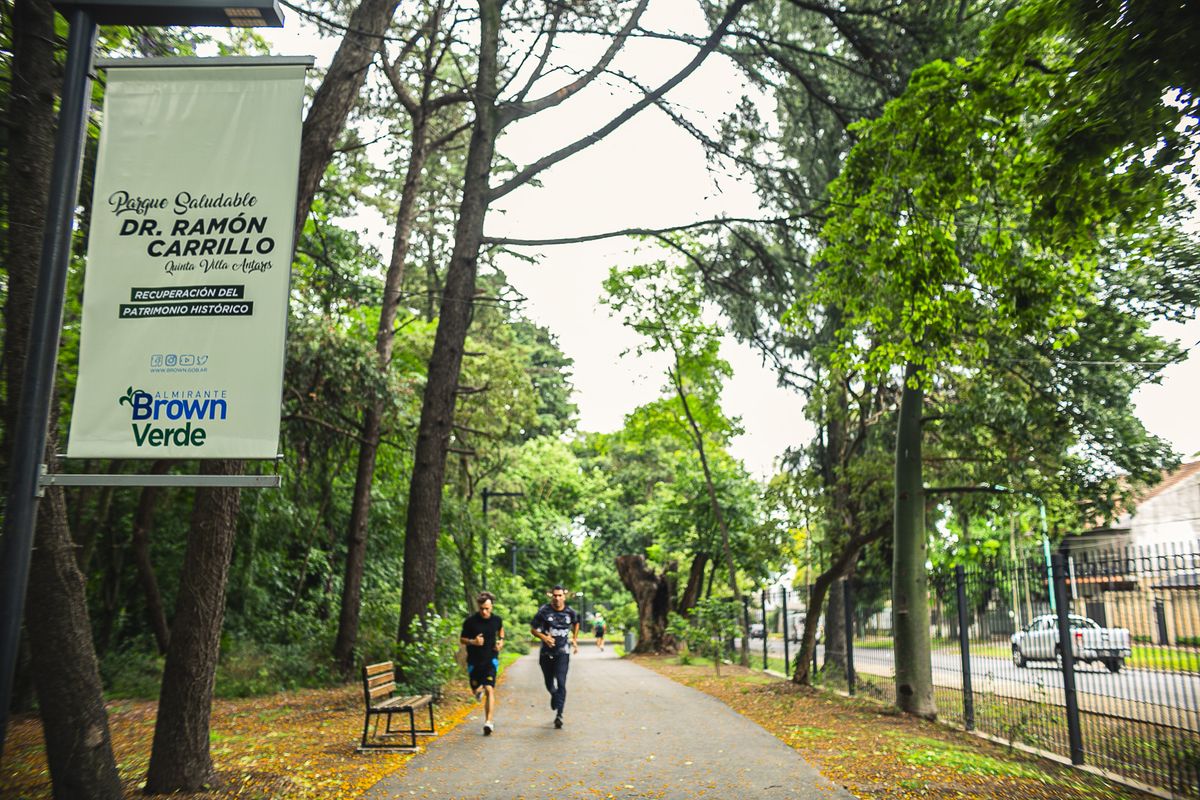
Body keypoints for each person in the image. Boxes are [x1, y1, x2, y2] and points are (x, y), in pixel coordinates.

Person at [530, 585, 579, 729]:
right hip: (546, 653)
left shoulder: (570, 612)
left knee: (562, 683)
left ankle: (559, 715)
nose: (557, 598)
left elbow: (576, 624)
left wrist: (575, 639)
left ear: (564, 596)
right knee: (549, 683)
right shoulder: (544, 611)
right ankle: (553, 694)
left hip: (563, 653)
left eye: (560, 595)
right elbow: (533, 629)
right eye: (555, 595)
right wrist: (544, 637)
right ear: (551, 596)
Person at [460, 591, 505, 735]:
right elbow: (462, 639)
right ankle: (477, 691)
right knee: (476, 689)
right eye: (482, 609)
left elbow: (501, 632)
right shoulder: (470, 622)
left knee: (489, 689)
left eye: (487, 608)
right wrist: (473, 641)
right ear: (478, 607)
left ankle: (489, 722)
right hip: (474, 661)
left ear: (491, 607)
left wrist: (500, 642)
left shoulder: (497, 620)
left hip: (491, 660)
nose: (484, 611)